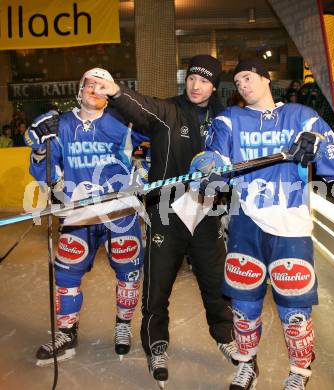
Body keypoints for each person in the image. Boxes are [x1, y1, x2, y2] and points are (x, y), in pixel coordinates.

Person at [190, 58, 334, 390]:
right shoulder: (230, 119)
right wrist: (208, 169)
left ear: (265, 79)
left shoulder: (301, 116)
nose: (243, 86)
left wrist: (318, 149)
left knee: (295, 307)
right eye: (237, 82)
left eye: (248, 78)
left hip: (291, 227)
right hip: (245, 224)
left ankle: (299, 371)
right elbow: (212, 159)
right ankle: (247, 366)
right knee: (245, 306)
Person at [87, 55, 237, 388]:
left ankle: (226, 336)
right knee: (157, 289)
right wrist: (115, 91)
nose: (196, 86)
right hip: (167, 214)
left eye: (204, 81)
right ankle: (157, 344)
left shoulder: (224, 119)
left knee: (216, 285)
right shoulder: (168, 112)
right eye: (192, 79)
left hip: (207, 215)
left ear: (214, 85)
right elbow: (139, 107)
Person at [24, 68, 144, 365]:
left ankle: (123, 326)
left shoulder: (123, 121)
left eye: (102, 85)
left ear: (110, 92)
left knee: (129, 273)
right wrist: (39, 147)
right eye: (90, 84)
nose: (95, 89)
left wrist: (147, 169)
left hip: (120, 212)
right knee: (66, 274)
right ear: (80, 91)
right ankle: (67, 331)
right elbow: (43, 171)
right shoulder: (61, 124)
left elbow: (161, 133)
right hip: (78, 215)